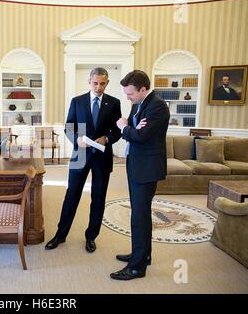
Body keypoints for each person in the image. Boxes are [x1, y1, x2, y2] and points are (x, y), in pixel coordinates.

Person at [45, 67, 122, 253]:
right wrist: (77, 139)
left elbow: (117, 130)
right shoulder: (77, 101)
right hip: (80, 154)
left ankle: (91, 237)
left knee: (98, 197)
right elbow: (68, 127)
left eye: (102, 83)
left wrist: (107, 139)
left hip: (102, 156)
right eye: (95, 83)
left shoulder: (114, 103)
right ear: (89, 82)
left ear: (107, 83)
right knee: (72, 195)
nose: (98, 87)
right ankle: (60, 235)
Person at [112, 70, 169, 280]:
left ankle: (136, 268)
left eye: (130, 94)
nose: (128, 98)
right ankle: (143, 256)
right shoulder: (139, 104)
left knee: (139, 217)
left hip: (147, 168)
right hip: (136, 164)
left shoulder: (157, 106)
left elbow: (140, 136)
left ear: (143, 89)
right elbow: (136, 133)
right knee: (139, 213)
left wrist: (125, 127)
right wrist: (133, 130)